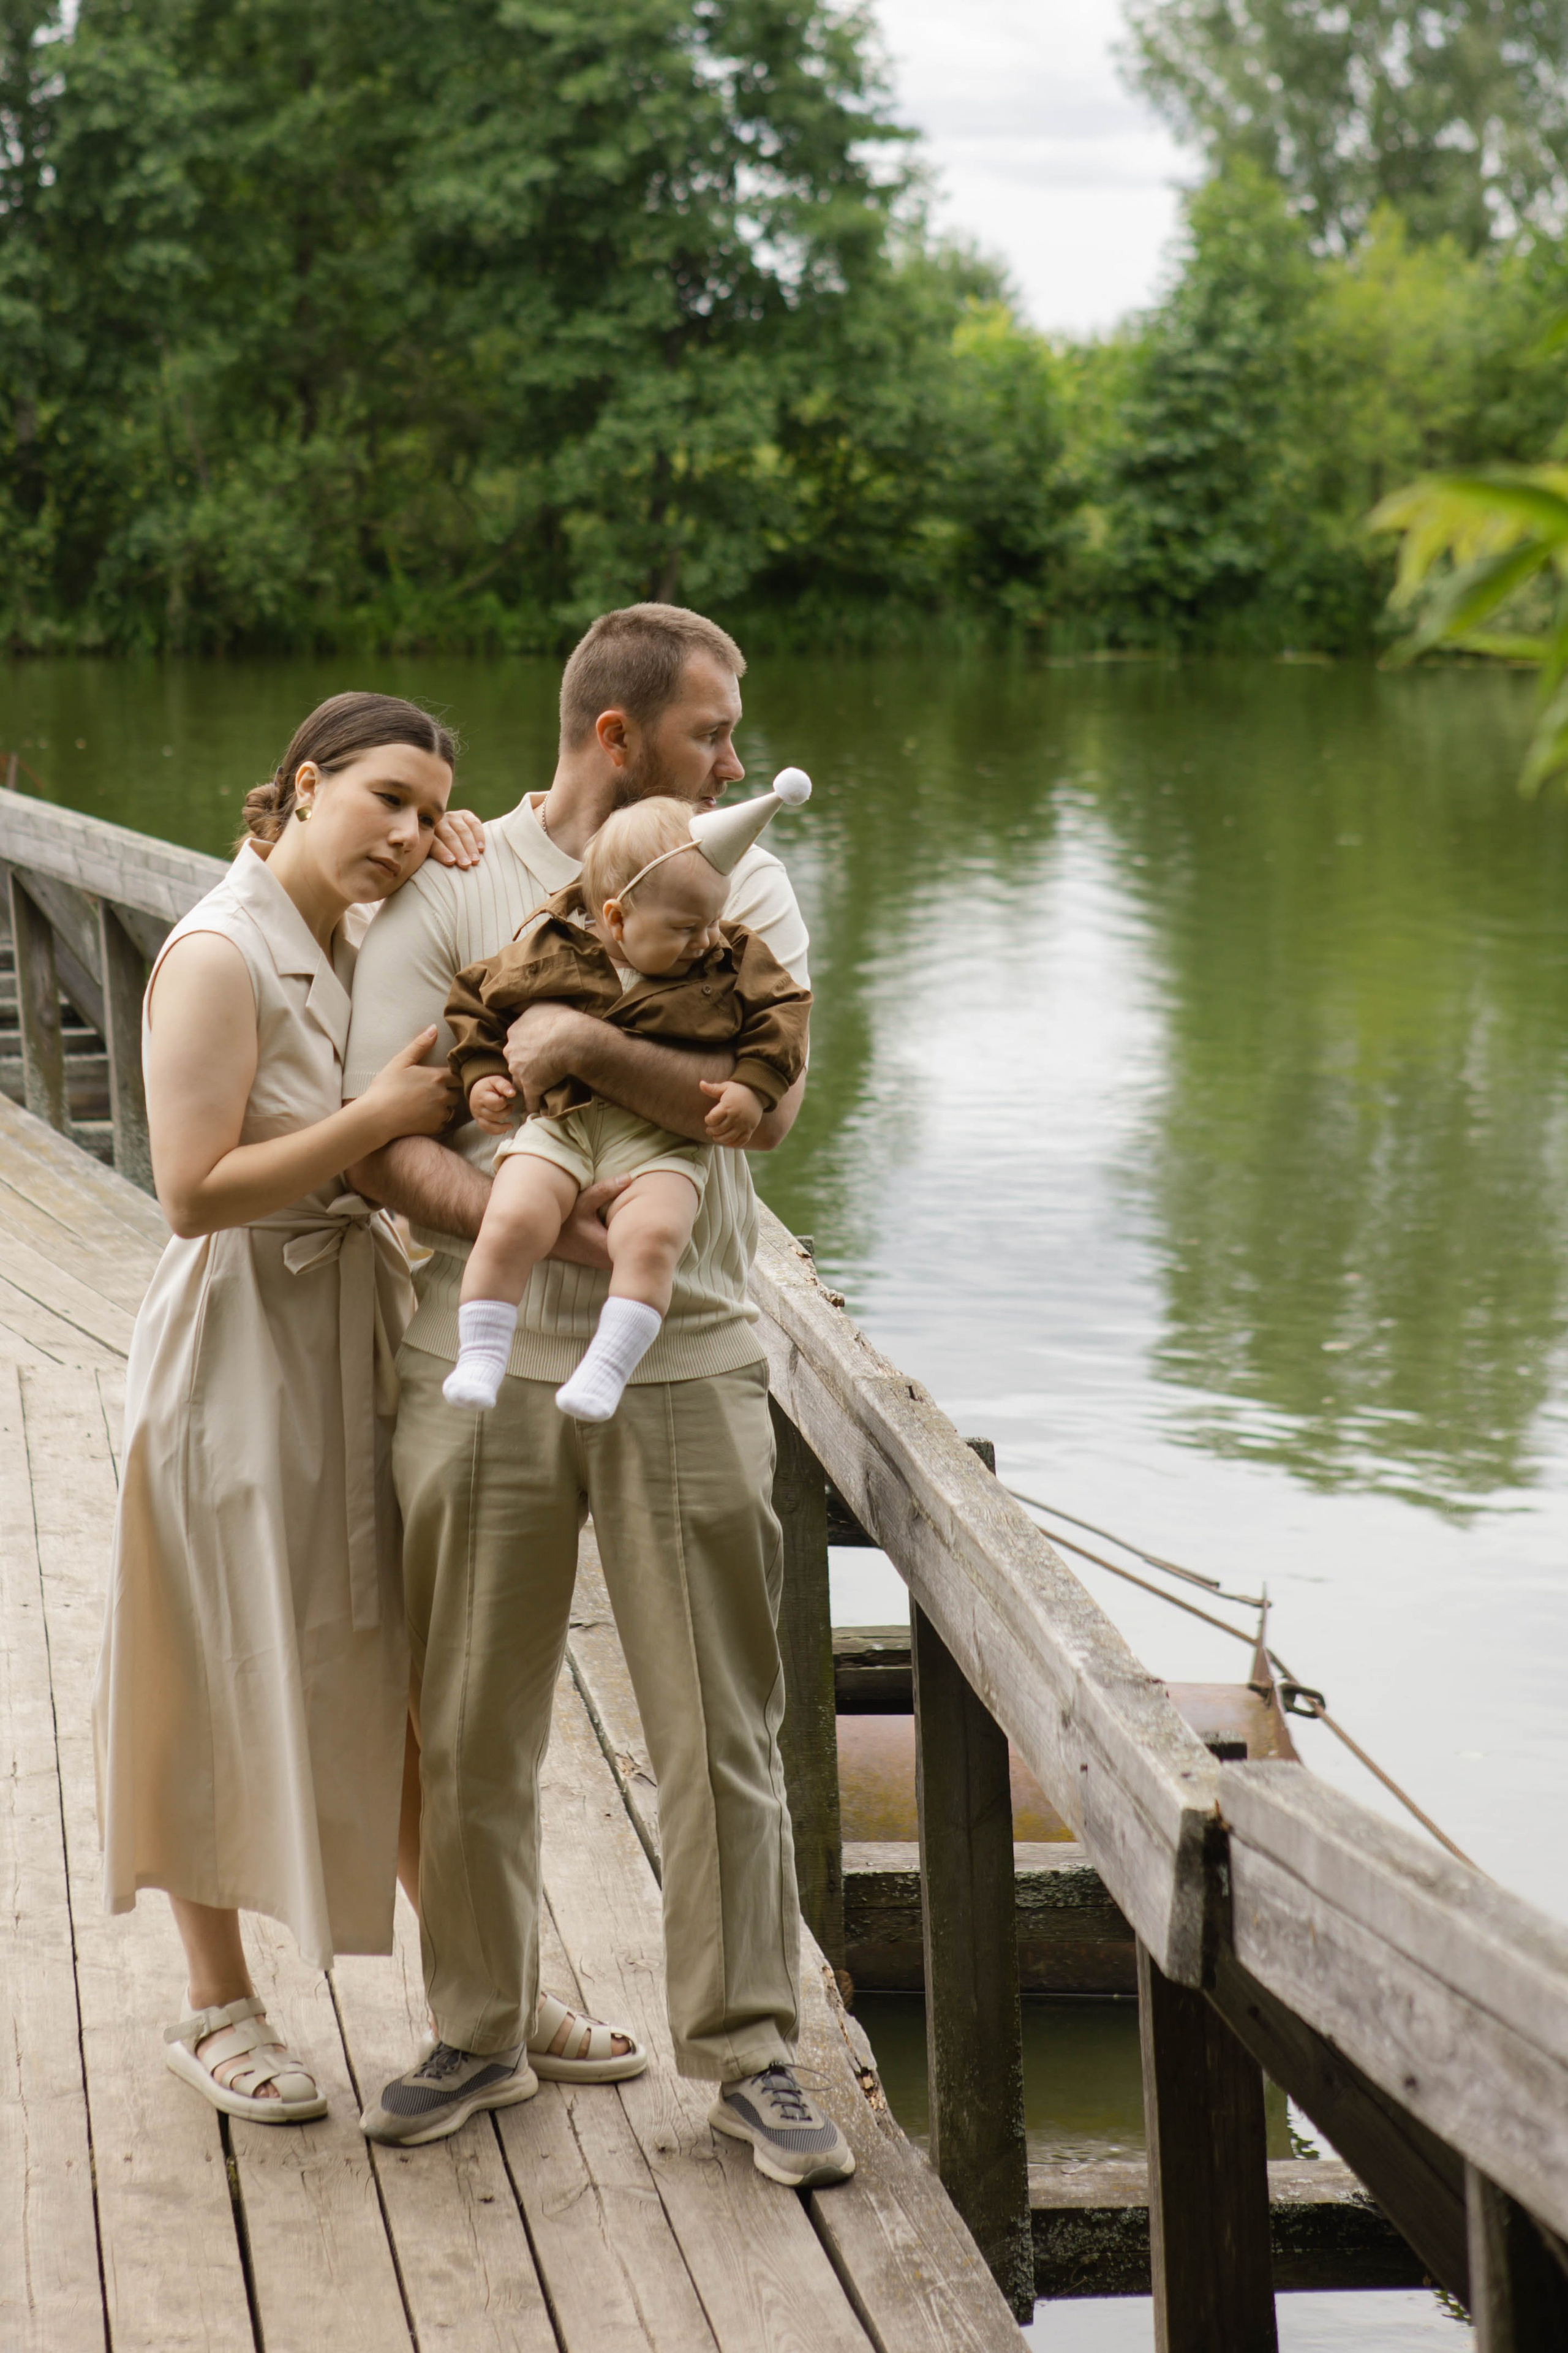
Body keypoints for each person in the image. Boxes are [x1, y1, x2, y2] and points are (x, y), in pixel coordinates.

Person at [342, 603, 856, 2186]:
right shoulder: (454, 879)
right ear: (618, 734)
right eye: (716, 730)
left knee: (722, 1720)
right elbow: (391, 1134)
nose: (741, 757)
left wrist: (570, 1035)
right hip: (485, 1349)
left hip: (688, 1345)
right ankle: (481, 2028)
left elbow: (757, 1107)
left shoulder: (738, 871)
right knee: (477, 1715)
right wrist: (557, 1204)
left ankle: (749, 2053)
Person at [94, 692, 485, 2123]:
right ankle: (213, 2003)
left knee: (391, 1670)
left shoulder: (359, 937)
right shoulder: (219, 948)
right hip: (238, 1340)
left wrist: (472, 858)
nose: (404, 830)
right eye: (383, 796)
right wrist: (378, 1121)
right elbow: (191, 1189)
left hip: (351, 1327)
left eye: (427, 807)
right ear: (304, 781)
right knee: (211, 1659)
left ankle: (480, 1990)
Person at [442, 783, 812, 1422]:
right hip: (562, 1122)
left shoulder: (731, 960)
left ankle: (608, 1366)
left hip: (661, 1141)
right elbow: (476, 999)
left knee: (654, 1236)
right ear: (615, 918)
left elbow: (783, 1015)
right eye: (684, 928)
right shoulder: (551, 947)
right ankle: (480, 1352)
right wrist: (479, 1074)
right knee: (512, 1218)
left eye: (713, 921)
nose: (707, 941)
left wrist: (753, 1085)